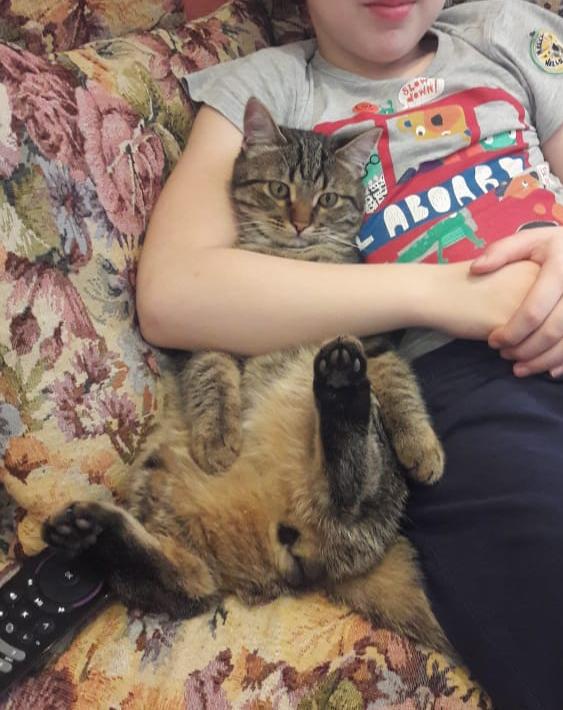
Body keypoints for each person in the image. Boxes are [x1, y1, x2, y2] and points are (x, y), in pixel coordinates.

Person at [136, 1, 563, 707]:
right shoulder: (269, 85)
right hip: (459, 372)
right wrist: (445, 293)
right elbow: (174, 292)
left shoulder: (505, 30)